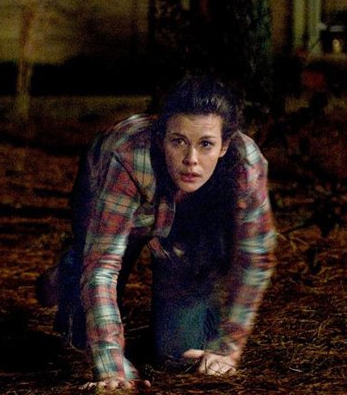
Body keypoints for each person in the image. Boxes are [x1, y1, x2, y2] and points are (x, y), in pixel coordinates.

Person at [36, 76, 277, 390]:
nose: (191, 159)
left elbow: (256, 257)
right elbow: (102, 268)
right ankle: (72, 266)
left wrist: (228, 347)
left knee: (178, 351)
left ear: (224, 146)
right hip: (113, 201)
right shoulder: (128, 156)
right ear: (162, 138)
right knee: (80, 337)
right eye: (178, 141)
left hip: (186, 219)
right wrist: (111, 369)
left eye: (206, 144)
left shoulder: (246, 164)